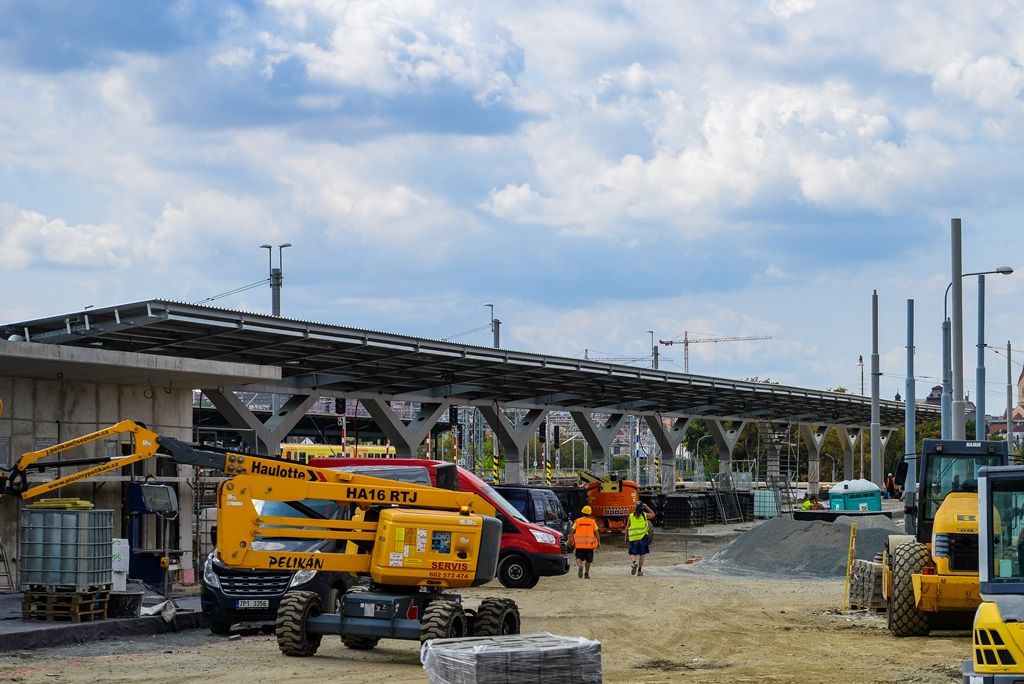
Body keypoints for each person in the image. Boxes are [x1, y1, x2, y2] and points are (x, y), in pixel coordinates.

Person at [626, 500, 655, 576]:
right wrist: (647, 507)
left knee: (632, 553)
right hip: (642, 538)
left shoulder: (631, 516)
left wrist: (626, 537)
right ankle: (639, 571)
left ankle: (634, 563)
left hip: (633, 538)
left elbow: (627, 527)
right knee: (642, 554)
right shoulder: (645, 515)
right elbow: (653, 514)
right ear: (642, 508)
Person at [571, 505, 600, 579]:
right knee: (588, 560)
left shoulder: (577, 521)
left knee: (578, 557)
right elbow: (596, 533)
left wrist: (571, 540)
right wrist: (598, 542)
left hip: (579, 544)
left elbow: (572, 531)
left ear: (582, 512)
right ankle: (586, 574)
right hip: (590, 544)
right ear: (590, 513)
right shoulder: (592, 522)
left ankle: (580, 566)